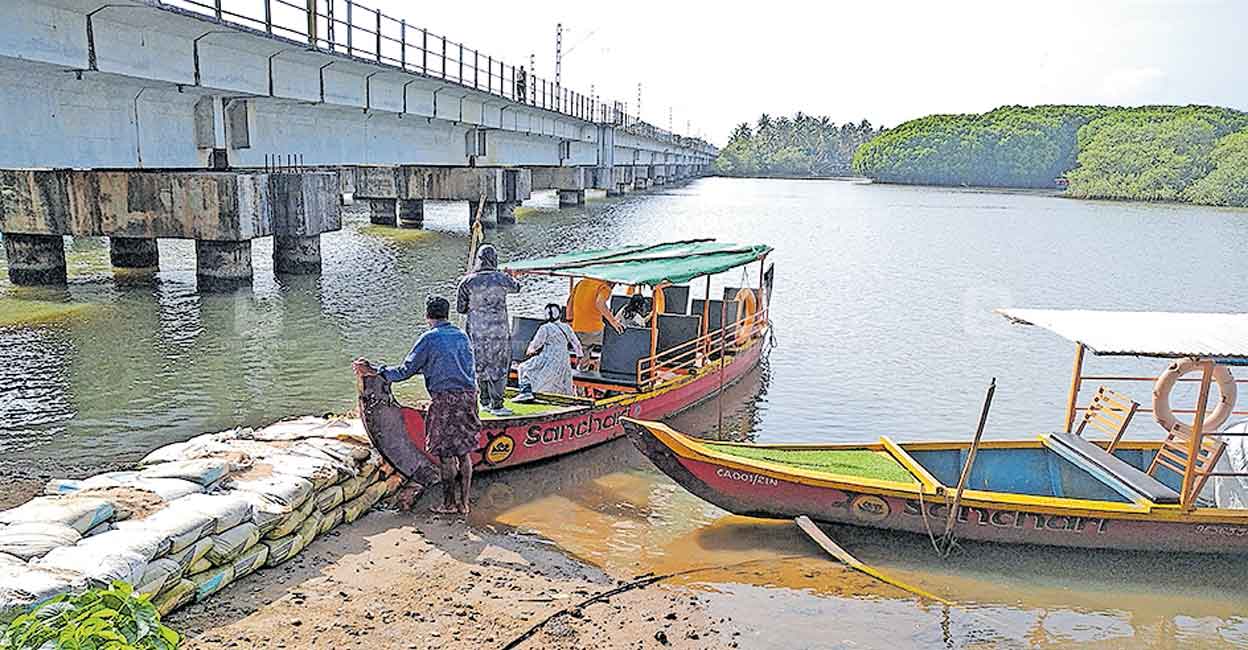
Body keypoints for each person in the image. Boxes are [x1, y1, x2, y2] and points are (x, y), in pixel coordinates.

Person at [353, 296, 478, 515]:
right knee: (464, 452)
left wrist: (375, 369)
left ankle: (449, 505)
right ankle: (464, 504)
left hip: (444, 400)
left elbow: (405, 371)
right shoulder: (462, 336)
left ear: (427, 316)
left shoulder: (428, 339)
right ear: (446, 315)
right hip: (468, 397)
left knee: (446, 454)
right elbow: (459, 367)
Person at [457, 244, 520, 416]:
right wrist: (510, 275)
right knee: (499, 366)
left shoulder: (467, 281)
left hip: (476, 332)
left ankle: (483, 401)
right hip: (498, 332)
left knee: (480, 364)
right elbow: (517, 287)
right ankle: (497, 405)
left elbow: (461, 309)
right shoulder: (502, 278)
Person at [514, 304, 584, 402]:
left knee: (523, 367)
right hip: (564, 359)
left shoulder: (545, 328)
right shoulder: (566, 327)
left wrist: (529, 351)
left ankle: (525, 392)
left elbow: (535, 345)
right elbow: (576, 344)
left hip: (549, 358)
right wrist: (579, 357)